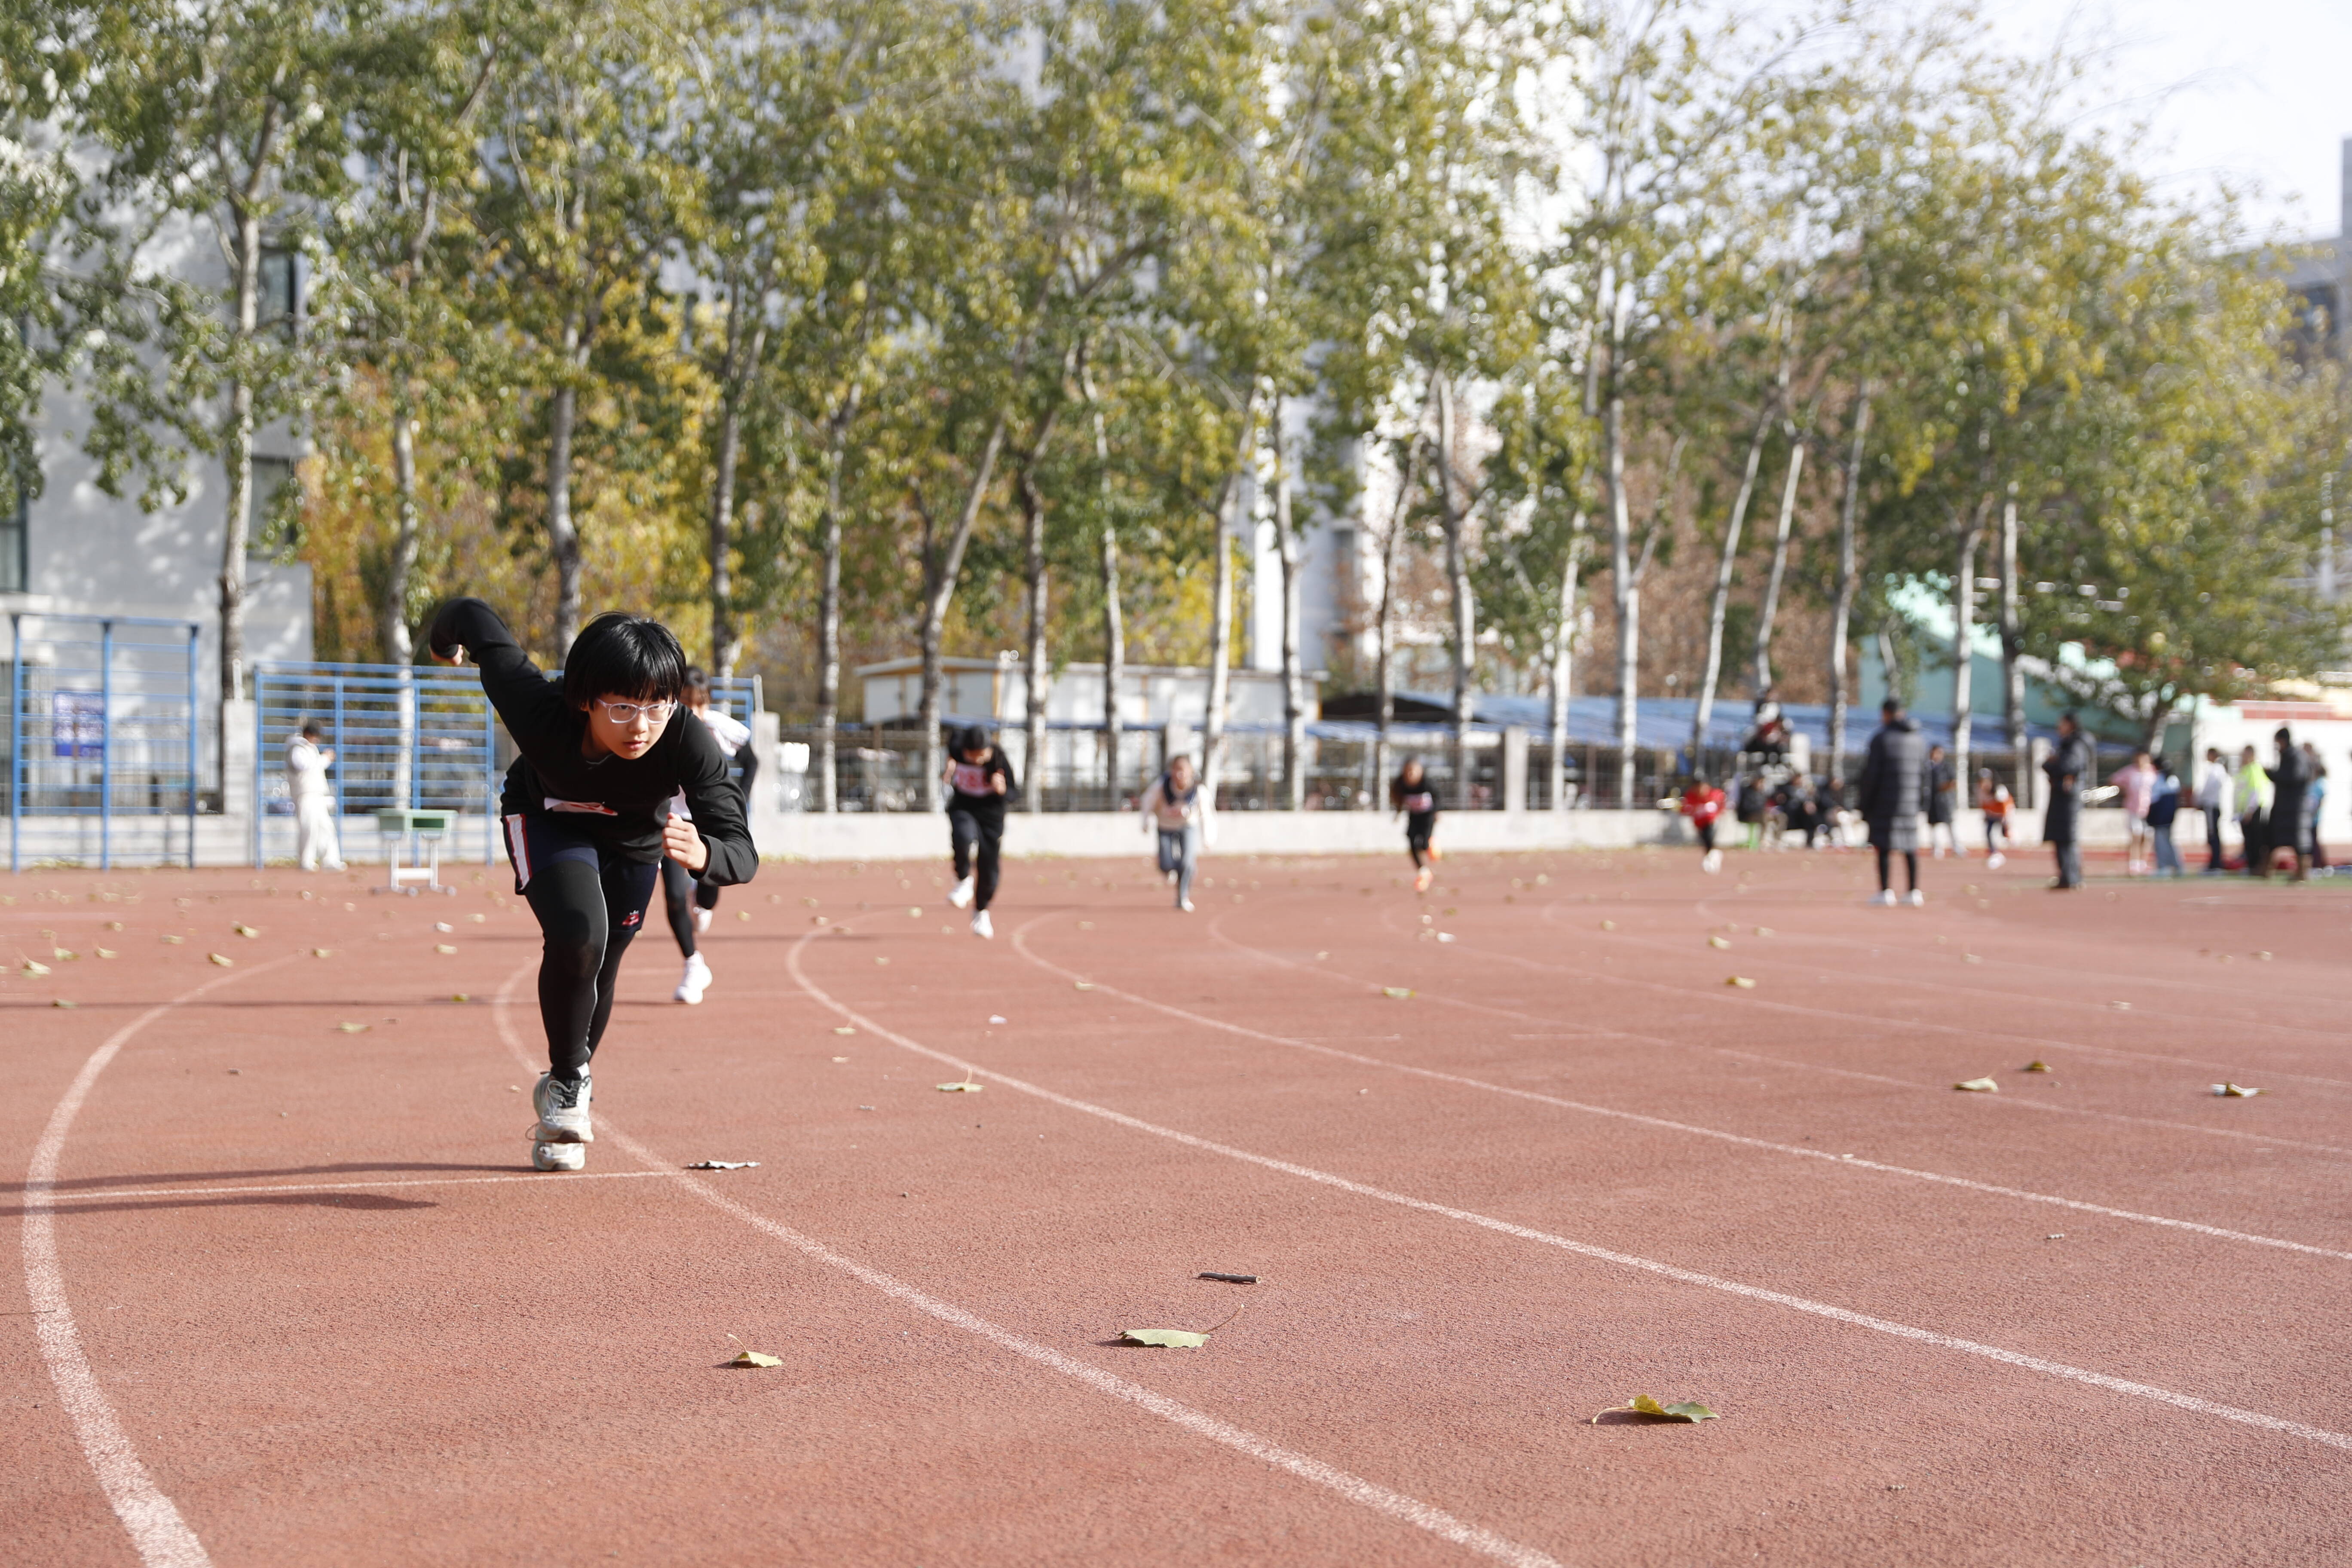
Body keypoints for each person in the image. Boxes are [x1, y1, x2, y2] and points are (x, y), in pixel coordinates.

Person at [429, 597, 756, 1173]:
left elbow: (742, 849)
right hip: (545, 820)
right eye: (623, 708)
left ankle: (565, 1085)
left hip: (633, 842)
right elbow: (475, 619)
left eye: (658, 707)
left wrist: (708, 854)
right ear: (585, 699)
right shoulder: (540, 709)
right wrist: (441, 644)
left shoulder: (685, 737)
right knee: (581, 934)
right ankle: (570, 1084)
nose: (642, 727)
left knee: (602, 966)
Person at [662, 668, 760, 1004]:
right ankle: (693, 965)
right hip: (672, 820)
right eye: (685, 703)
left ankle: (702, 900)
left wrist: (738, 799)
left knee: (707, 898)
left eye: (699, 704)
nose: (693, 711)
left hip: (707, 822)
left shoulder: (718, 727)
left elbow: (752, 760)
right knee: (674, 897)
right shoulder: (661, 725)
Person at [943, 725, 1015, 937]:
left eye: (981, 755)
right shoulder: (957, 748)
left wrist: (1002, 790)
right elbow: (953, 736)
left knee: (989, 867)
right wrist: (949, 765)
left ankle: (981, 911)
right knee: (962, 836)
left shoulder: (999, 759)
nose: (976, 760)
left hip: (991, 814)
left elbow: (1014, 793)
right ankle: (963, 880)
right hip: (964, 806)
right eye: (971, 755)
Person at [1858, 698, 1926, 905]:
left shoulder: (1881, 739)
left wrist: (1864, 805)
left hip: (1885, 802)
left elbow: (1871, 776)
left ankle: (1886, 892)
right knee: (1910, 847)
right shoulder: (1920, 740)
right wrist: (1923, 804)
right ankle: (1914, 891)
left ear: (1886, 714)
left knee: (1884, 846)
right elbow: (1926, 777)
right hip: (1911, 803)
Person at [1139, 753, 1212, 910]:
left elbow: (1207, 814)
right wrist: (1145, 822)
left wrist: (1208, 838)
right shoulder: (1161, 786)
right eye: (1176, 769)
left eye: (1183, 769)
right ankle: (1172, 870)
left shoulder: (1198, 790)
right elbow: (1147, 801)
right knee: (1166, 864)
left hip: (1188, 826)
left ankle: (1182, 897)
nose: (1180, 774)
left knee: (1187, 862)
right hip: (1165, 827)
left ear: (1191, 771)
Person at [285, 720, 345, 872]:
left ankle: (330, 859)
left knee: (326, 828)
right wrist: (324, 758)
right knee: (309, 828)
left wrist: (323, 759)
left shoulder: (311, 749)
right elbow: (304, 766)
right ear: (309, 735)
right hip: (305, 795)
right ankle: (306, 860)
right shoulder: (297, 748)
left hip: (318, 795)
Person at [2043, 712, 2093, 889]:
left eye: (2062, 723)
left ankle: (2073, 876)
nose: (2059, 727)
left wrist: (2053, 763)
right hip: (2061, 796)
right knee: (2060, 837)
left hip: (2069, 797)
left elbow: (2069, 766)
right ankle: (2066, 875)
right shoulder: (2066, 744)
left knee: (2068, 837)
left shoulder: (2075, 745)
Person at [2261, 727, 2307, 882]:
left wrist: (2273, 774)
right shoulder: (2286, 756)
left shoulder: (2296, 756)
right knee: (2272, 838)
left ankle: (2302, 872)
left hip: (2293, 808)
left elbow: (2295, 777)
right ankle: (2267, 870)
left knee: (2297, 841)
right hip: (2282, 807)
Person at [1391, 757, 1440, 892]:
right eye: (1408, 771)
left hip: (1428, 816)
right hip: (1414, 816)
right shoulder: (1401, 784)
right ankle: (1423, 870)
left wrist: (1437, 812)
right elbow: (1399, 799)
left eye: (1414, 771)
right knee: (1411, 840)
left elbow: (1437, 797)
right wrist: (1398, 813)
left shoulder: (1427, 784)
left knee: (1424, 844)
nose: (1411, 775)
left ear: (1420, 772)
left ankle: (1431, 843)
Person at [2113, 750, 2159, 875]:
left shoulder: (2153, 772)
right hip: (2133, 809)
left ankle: (2143, 863)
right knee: (2136, 836)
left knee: (2147, 837)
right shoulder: (2130, 771)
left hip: (2150, 810)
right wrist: (2124, 790)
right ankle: (2133, 864)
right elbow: (2115, 780)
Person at [2234, 744, 2271, 878]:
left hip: (2255, 810)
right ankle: (2251, 865)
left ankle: (2256, 866)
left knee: (2256, 839)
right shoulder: (2245, 770)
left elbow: (2256, 791)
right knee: (2249, 840)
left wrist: (2250, 810)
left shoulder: (2255, 769)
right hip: (2245, 811)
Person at [2196, 747, 2233, 875]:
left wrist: (2200, 799)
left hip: (2212, 806)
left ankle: (2216, 864)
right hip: (2212, 806)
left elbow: (2209, 788)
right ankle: (2214, 862)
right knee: (2212, 835)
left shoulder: (2216, 769)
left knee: (2213, 835)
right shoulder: (2215, 769)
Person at [1680, 774, 1727, 873]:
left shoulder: (1714, 794)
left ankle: (1711, 860)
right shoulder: (1691, 796)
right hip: (1699, 823)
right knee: (1704, 842)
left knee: (1709, 839)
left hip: (1711, 822)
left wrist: (1718, 814)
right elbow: (1685, 809)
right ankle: (1712, 857)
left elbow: (1722, 805)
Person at [2146, 756, 2184, 877]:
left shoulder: (2159, 780)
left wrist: (2152, 817)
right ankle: (2177, 866)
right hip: (2169, 816)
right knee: (2170, 841)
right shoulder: (2173, 780)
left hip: (2161, 817)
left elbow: (2155, 800)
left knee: (2161, 842)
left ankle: (2164, 867)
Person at [1923, 743, 1959, 858]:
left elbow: (1953, 782)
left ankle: (1956, 847)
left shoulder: (1947, 766)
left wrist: (1943, 787)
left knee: (1950, 825)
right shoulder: (1927, 767)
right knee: (1933, 826)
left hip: (1945, 801)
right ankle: (1936, 848)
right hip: (1932, 801)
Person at [1975, 768, 2012, 868]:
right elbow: (1983, 804)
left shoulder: (1999, 790)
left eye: (1986, 781)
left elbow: (2006, 806)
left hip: (2003, 814)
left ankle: (2008, 851)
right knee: (1988, 832)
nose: (1984, 784)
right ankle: (1994, 853)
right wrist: (1986, 815)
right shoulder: (1980, 790)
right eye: (1981, 781)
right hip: (1991, 814)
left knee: (2006, 834)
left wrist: (2005, 820)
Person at [2302, 744, 2328, 871]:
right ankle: (2317, 863)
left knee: (2313, 839)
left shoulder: (2319, 784)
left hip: (2313, 816)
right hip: (2308, 815)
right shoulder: (2312, 783)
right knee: (2311, 840)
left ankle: (2318, 864)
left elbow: (2318, 800)